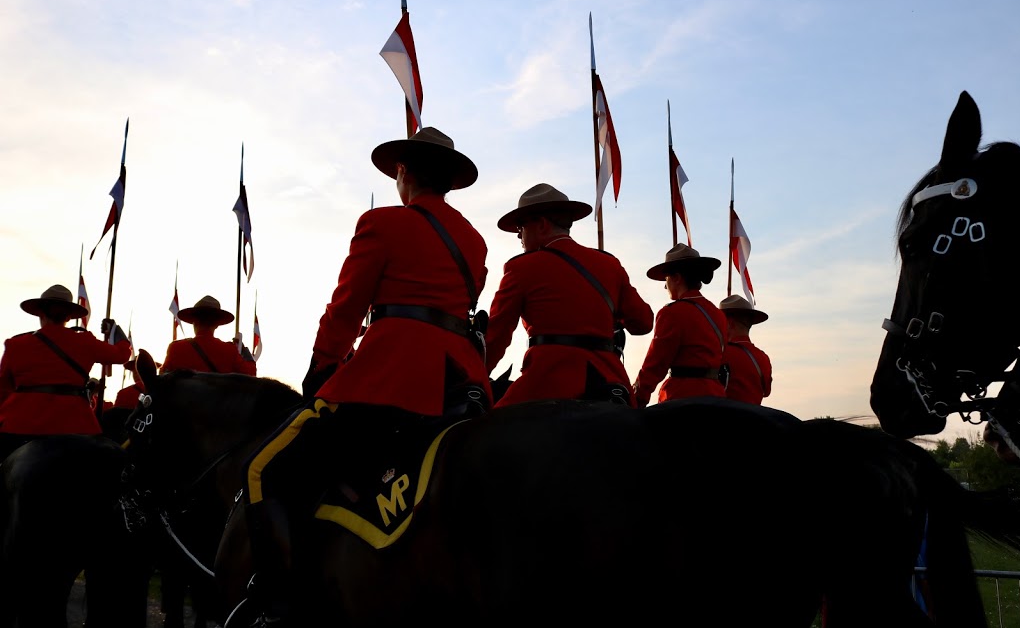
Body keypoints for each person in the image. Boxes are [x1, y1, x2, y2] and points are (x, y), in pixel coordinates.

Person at [241, 126, 491, 625]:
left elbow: (347, 305)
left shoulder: (381, 223)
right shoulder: (475, 241)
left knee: (262, 470)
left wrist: (322, 365)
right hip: (462, 383)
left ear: (402, 173)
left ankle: (279, 604)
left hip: (390, 376)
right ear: (448, 182)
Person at [485, 183, 654, 407]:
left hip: (546, 383)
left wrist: (477, 376)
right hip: (611, 382)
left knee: (481, 433)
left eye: (521, 228)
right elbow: (643, 323)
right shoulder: (609, 265)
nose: (519, 237)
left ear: (542, 224)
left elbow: (497, 335)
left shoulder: (521, 268)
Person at [0, 284, 131, 461]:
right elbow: (122, 354)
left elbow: (3, 390)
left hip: (21, 424)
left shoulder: (16, 344)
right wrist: (115, 331)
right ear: (69, 316)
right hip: (77, 424)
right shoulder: (85, 341)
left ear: (40, 313)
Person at [633, 244, 728, 407]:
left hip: (683, 400)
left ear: (677, 278)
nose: (664, 285)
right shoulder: (717, 314)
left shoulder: (673, 313)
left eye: (666, 279)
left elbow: (656, 363)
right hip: (716, 399)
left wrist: (638, 396)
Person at [161, 295, 256, 375]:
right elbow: (251, 373)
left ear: (194, 322)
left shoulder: (176, 348)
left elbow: (162, 378)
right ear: (217, 325)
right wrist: (243, 350)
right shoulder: (230, 351)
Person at [719, 294, 772, 406]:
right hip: (754, 420)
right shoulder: (763, 358)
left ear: (729, 323)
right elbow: (766, 392)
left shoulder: (720, 353)